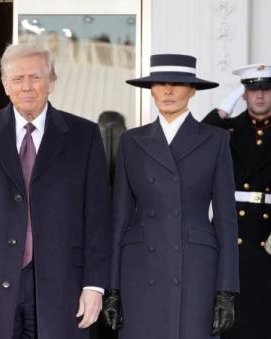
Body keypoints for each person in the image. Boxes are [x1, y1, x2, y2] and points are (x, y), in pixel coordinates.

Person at [0, 43, 111, 339]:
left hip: (62, 286)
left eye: (35, 77)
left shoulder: (84, 135)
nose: (26, 87)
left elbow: (97, 216)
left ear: (52, 82)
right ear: (5, 85)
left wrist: (94, 285)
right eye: (17, 79)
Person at [103, 54, 239, 339]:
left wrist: (226, 290)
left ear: (192, 90)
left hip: (196, 268)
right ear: (151, 89)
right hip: (140, 267)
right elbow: (119, 218)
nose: (168, 91)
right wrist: (112, 288)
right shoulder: (131, 140)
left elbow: (226, 220)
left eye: (177, 84)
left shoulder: (216, 140)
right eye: (160, 84)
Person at [202, 63, 271, 339]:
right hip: (231, 233)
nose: (260, 96)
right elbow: (200, 135)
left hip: (265, 238)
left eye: (266, 89)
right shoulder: (228, 130)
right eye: (253, 89)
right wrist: (227, 100)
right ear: (244, 94)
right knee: (232, 322)